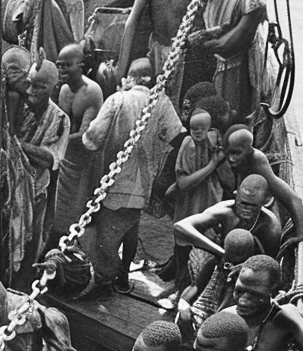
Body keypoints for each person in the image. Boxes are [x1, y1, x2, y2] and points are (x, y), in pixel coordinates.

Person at [81, 59, 184, 294]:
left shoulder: (117, 99)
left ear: (132, 78)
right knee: (132, 224)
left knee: (108, 230)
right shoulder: (161, 101)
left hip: (114, 178)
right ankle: (123, 276)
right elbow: (177, 136)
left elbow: (92, 139)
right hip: (144, 180)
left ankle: (105, 275)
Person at [49, 44, 104, 248]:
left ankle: (69, 250)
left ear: (80, 66)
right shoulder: (63, 89)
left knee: (77, 212)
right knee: (59, 210)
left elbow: (84, 135)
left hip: (84, 161)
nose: (61, 71)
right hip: (64, 158)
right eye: (58, 66)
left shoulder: (91, 92)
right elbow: (59, 123)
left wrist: (55, 141)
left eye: (67, 66)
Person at [191, 0, 267, 122]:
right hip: (215, 65)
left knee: (231, 115)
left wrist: (199, 42)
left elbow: (225, 45)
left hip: (235, 71)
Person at [17, 57, 71, 261]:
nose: (31, 91)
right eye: (29, 84)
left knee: (30, 244)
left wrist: (16, 144)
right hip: (6, 188)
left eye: (39, 87)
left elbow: (50, 160)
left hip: (35, 190)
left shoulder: (60, 119)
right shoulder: (14, 102)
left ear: (52, 86)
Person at [172, 109, 231, 293]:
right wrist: (212, 165)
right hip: (188, 207)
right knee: (182, 250)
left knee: (205, 255)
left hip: (208, 207)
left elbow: (228, 181)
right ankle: (178, 288)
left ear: (209, 128)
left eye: (201, 129)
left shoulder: (214, 141)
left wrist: (220, 160)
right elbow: (183, 184)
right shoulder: (188, 145)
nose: (196, 133)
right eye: (192, 129)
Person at [118, 0, 197, 107]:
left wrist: (120, 71)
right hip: (181, 53)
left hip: (160, 51)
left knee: (158, 105)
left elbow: (130, 24)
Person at [174, 173, 283, 265]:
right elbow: (180, 227)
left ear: (264, 202)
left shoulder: (270, 227)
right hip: (220, 260)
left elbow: (270, 264)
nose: (247, 209)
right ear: (236, 196)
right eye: (243, 203)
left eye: (253, 206)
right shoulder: (225, 211)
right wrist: (221, 253)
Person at [224, 127, 303, 245]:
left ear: (249, 150)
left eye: (236, 153)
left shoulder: (257, 162)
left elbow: (293, 199)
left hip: (256, 213)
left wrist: (300, 235)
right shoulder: (238, 159)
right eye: (229, 153)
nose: (231, 158)